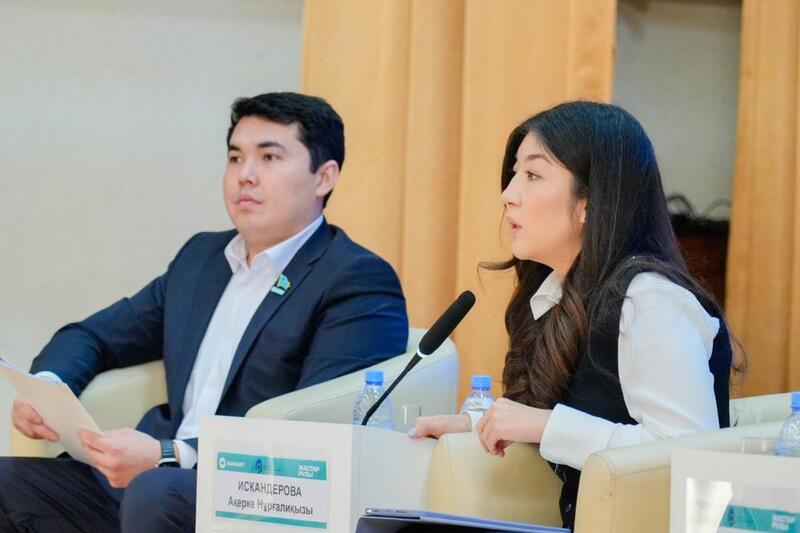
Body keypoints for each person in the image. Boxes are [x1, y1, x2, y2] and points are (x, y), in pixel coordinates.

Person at [0, 92, 409, 533]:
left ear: (324, 177)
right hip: (152, 482)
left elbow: (313, 431)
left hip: (258, 493)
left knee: (155, 492)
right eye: (235, 158)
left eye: (269, 157)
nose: (245, 175)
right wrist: (48, 389)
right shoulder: (201, 259)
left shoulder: (356, 279)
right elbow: (93, 336)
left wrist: (171, 454)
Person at [411, 101, 735, 530]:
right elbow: (562, 414)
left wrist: (547, 426)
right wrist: (476, 424)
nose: (508, 194)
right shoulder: (556, 296)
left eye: (532, 175)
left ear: (589, 202)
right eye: (513, 174)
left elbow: (687, 451)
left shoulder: (650, 301)